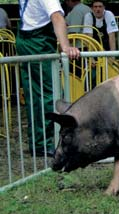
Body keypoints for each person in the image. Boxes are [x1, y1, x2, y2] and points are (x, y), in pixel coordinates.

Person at [16, 0, 80, 156]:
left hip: (24, 39)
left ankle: (37, 143)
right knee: (48, 94)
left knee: (34, 94)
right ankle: (45, 143)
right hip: (38, 42)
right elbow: (57, 17)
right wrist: (66, 46)